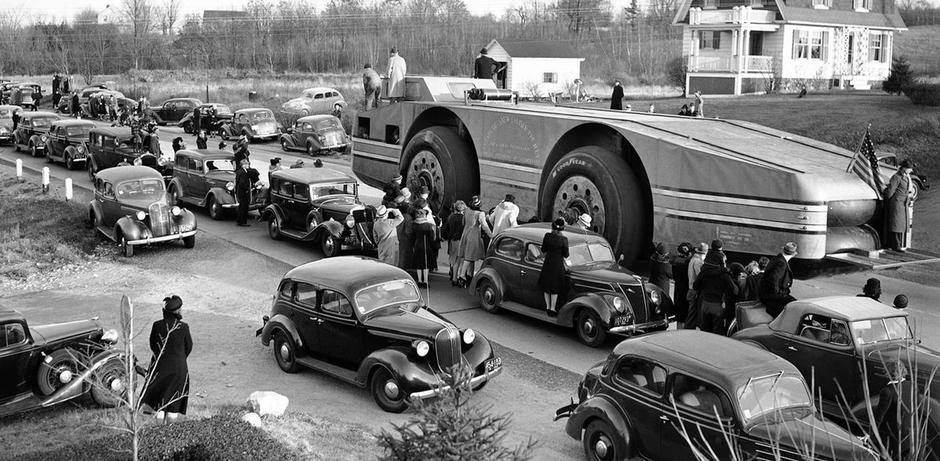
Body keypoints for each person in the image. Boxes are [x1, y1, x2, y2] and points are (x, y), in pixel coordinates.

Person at [141, 295, 193, 424]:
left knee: (159, 403)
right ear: (178, 311)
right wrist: (178, 358)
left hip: (160, 368)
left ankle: (158, 432)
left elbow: (153, 345)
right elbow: (189, 347)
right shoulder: (184, 327)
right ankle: (169, 434)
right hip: (178, 370)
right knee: (173, 403)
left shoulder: (157, 325)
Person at [693, 249, 737, 335]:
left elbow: (695, 286)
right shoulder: (724, 275)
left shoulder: (703, 272)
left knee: (704, 331)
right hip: (717, 305)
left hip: (705, 304)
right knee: (717, 332)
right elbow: (734, 290)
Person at [457, 196, 493, 284]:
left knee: (469, 255)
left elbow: (463, 223)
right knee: (469, 256)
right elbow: (485, 226)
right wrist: (492, 235)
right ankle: (462, 275)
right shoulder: (480, 214)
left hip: (465, 233)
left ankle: (469, 275)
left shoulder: (466, 211)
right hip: (474, 235)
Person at [538, 218, 570, 316]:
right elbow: (566, 255)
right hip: (557, 265)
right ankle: (552, 309)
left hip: (548, 263)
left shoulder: (547, 236)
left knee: (547, 286)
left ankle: (547, 307)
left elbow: (543, 249)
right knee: (555, 288)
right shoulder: (564, 240)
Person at [884, 159, 915, 252]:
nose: (911, 170)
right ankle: (895, 245)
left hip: (904, 203)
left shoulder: (906, 176)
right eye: (910, 169)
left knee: (901, 225)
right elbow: (890, 191)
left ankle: (898, 244)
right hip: (897, 203)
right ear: (904, 168)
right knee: (896, 225)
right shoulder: (897, 177)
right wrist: (889, 202)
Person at [760, 242, 798, 318]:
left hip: (766, 293)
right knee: (795, 305)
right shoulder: (781, 263)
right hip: (770, 295)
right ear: (793, 254)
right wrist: (779, 294)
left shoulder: (777, 259)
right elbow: (773, 281)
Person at [442, 200, 467, 286]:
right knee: (459, 261)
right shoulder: (464, 218)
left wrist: (448, 236)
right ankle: (457, 278)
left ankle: (453, 277)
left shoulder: (450, 217)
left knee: (453, 259)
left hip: (452, 240)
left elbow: (444, 229)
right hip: (460, 240)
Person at [412, 208, 438, 287]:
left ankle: (420, 281)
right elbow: (431, 238)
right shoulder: (428, 225)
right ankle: (425, 281)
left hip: (417, 244)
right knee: (426, 264)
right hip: (426, 245)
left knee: (419, 263)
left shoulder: (414, 224)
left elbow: (412, 237)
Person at [685, 242, 708, 329]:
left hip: (691, 289)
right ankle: (688, 331)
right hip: (695, 291)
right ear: (704, 253)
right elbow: (700, 276)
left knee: (692, 313)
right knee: (692, 314)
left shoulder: (693, 259)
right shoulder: (698, 262)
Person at [671, 242, 693, 329]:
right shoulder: (688, 263)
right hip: (686, 290)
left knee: (679, 315)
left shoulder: (675, 261)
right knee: (685, 314)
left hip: (678, 290)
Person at [396, 189, 415, 270]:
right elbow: (408, 231)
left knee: (399, 254)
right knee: (404, 255)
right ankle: (403, 270)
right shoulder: (408, 217)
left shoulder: (397, 216)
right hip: (405, 239)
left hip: (397, 236)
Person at [234, 159, 251, 227]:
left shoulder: (239, 171)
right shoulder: (244, 173)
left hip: (240, 192)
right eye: (247, 164)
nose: (248, 165)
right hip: (243, 192)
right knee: (244, 207)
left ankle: (239, 220)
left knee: (241, 206)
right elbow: (242, 183)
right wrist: (246, 190)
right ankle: (243, 221)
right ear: (243, 165)